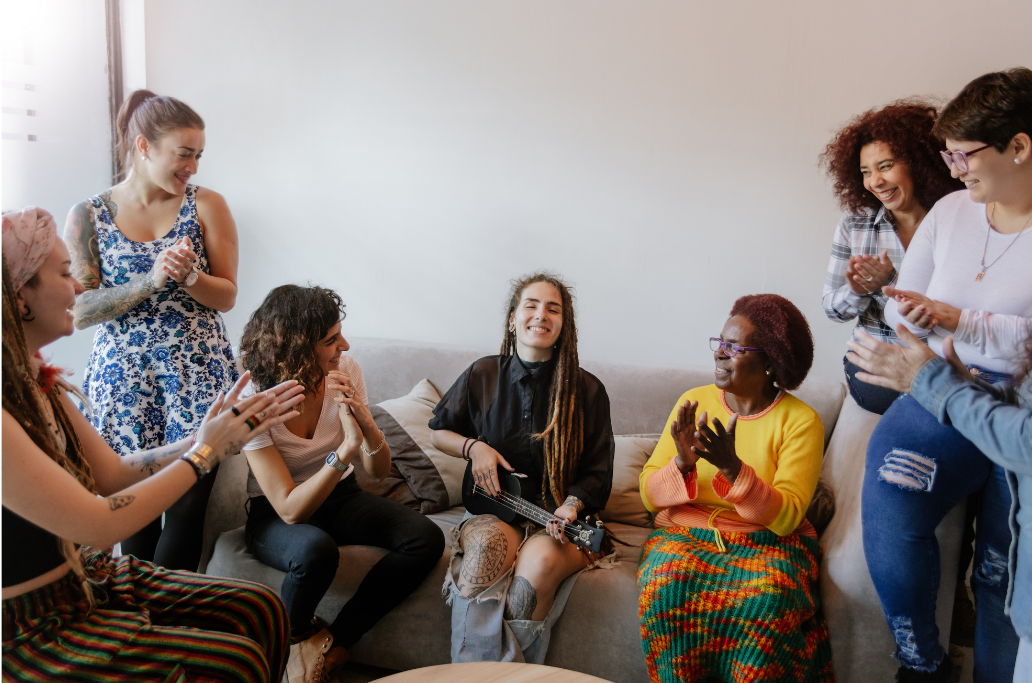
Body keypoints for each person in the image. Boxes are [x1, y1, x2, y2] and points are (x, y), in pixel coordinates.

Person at [2, 208, 301, 682]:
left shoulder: (39, 384)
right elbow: (98, 524)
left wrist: (211, 438)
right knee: (235, 661)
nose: (79, 288)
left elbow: (115, 474)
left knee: (261, 608)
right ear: (20, 299)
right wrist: (203, 456)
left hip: (87, 578)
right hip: (30, 628)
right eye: (64, 273)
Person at [861, 67, 1032, 682]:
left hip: (1018, 410)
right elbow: (919, 308)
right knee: (889, 504)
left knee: (1001, 568)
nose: (953, 169)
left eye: (963, 154)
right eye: (947, 154)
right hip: (943, 384)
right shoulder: (953, 213)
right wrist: (901, 304)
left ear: (1019, 146)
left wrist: (963, 325)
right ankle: (923, 662)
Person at [65, 89, 241, 570]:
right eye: (184, 154)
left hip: (197, 372)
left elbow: (227, 294)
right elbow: (77, 312)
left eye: (199, 155)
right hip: (122, 381)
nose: (194, 168)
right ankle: (141, 625)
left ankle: (171, 619)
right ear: (144, 147)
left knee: (187, 506)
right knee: (136, 510)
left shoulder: (208, 205)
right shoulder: (88, 216)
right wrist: (150, 281)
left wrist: (190, 277)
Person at [238, 284, 446, 683]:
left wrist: (365, 426)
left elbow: (378, 472)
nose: (345, 346)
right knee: (317, 551)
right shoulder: (252, 397)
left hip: (342, 496)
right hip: (275, 516)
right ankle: (292, 640)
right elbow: (289, 508)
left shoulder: (345, 371)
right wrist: (345, 450)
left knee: (425, 537)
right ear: (297, 347)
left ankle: (334, 643)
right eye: (332, 339)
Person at [638, 294, 833, 683]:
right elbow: (648, 494)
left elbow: (788, 517)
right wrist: (683, 462)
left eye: (734, 348)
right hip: (686, 536)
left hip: (769, 543)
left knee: (769, 600)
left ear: (769, 362)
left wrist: (732, 467)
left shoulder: (801, 422)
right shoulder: (693, 401)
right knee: (664, 582)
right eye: (719, 344)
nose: (720, 355)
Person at [429, 272, 615, 664]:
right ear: (513, 318)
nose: (541, 314)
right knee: (481, 561)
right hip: (495, 511)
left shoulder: (589, 390)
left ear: (565, 325)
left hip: (558, 519)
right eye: (530, 305)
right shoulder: (483, 373)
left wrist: (572, 506)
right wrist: (473, 446)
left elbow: (598, 470)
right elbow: (438, 433)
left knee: (525, 591)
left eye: (553, 308)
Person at [847, 324, 1032, 683]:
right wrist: (976, 389)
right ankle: (925, 665)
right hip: (983, 388)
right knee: (895, 502)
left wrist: (935, 382)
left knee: (1000, 576)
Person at [820, 99, 963, 414]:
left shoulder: (959, 217)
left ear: (918, 163)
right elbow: (832, 308)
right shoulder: (855, 223)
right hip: (875, 362)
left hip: (941, 359)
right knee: (938, 405)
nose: (875, 181)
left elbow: (964, 306)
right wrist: (859, 290)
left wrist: (894, 285)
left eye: (885, 166)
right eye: (866, 172)